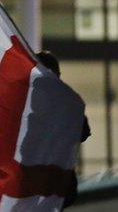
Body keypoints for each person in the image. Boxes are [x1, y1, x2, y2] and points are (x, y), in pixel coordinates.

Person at [35, 51, 89, 209]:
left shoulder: (35, 102)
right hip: (53, 183)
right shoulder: (66, 101)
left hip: (46, 182)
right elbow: (83, 131)